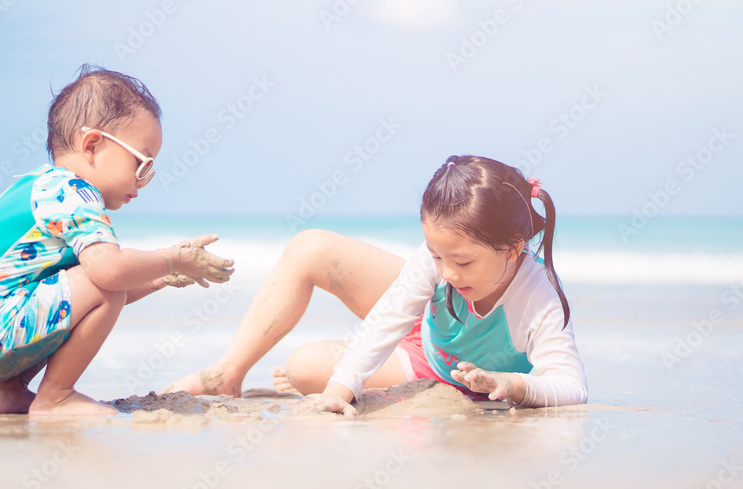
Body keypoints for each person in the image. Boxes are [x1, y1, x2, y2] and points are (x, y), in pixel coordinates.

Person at [166, 155, 587, 413]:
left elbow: (571, 387)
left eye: (461, 261)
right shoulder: (440, 263)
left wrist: (512, 385)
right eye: (435, 254)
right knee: (311, 247)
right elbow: (390, 315)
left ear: (513, 248)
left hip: (444, 372)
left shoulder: (539, 298)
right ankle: (226, 374)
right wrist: (341, 387)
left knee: (302, 368)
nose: (445, 273)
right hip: (429, 331)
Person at [0, 65, 234, 417]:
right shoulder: (74, 192)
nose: (144, 181)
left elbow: (88, 294)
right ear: (91, 144)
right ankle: (55, 397)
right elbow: (109, 278)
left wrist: (161, 278)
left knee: (88, 281)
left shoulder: (42, 188)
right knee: (107, 275)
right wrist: (174, 258)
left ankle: (6, 394)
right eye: (142, 164)